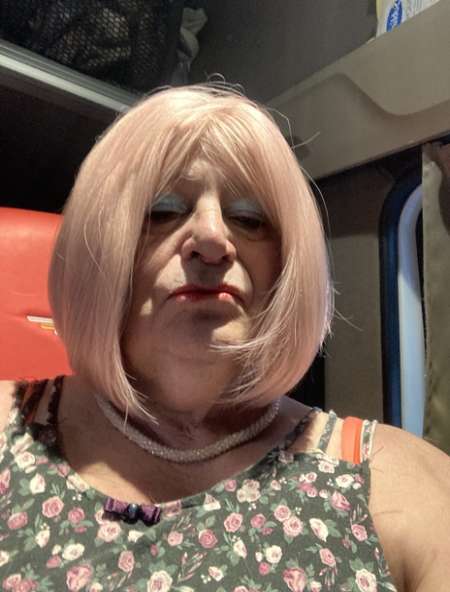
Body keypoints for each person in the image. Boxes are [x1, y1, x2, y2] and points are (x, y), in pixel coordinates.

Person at [0, 85, 449, 592]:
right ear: (99, 248)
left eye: (251, 219)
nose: (213, 238)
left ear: (284, 265)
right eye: (162, 211)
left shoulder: (399, 482)